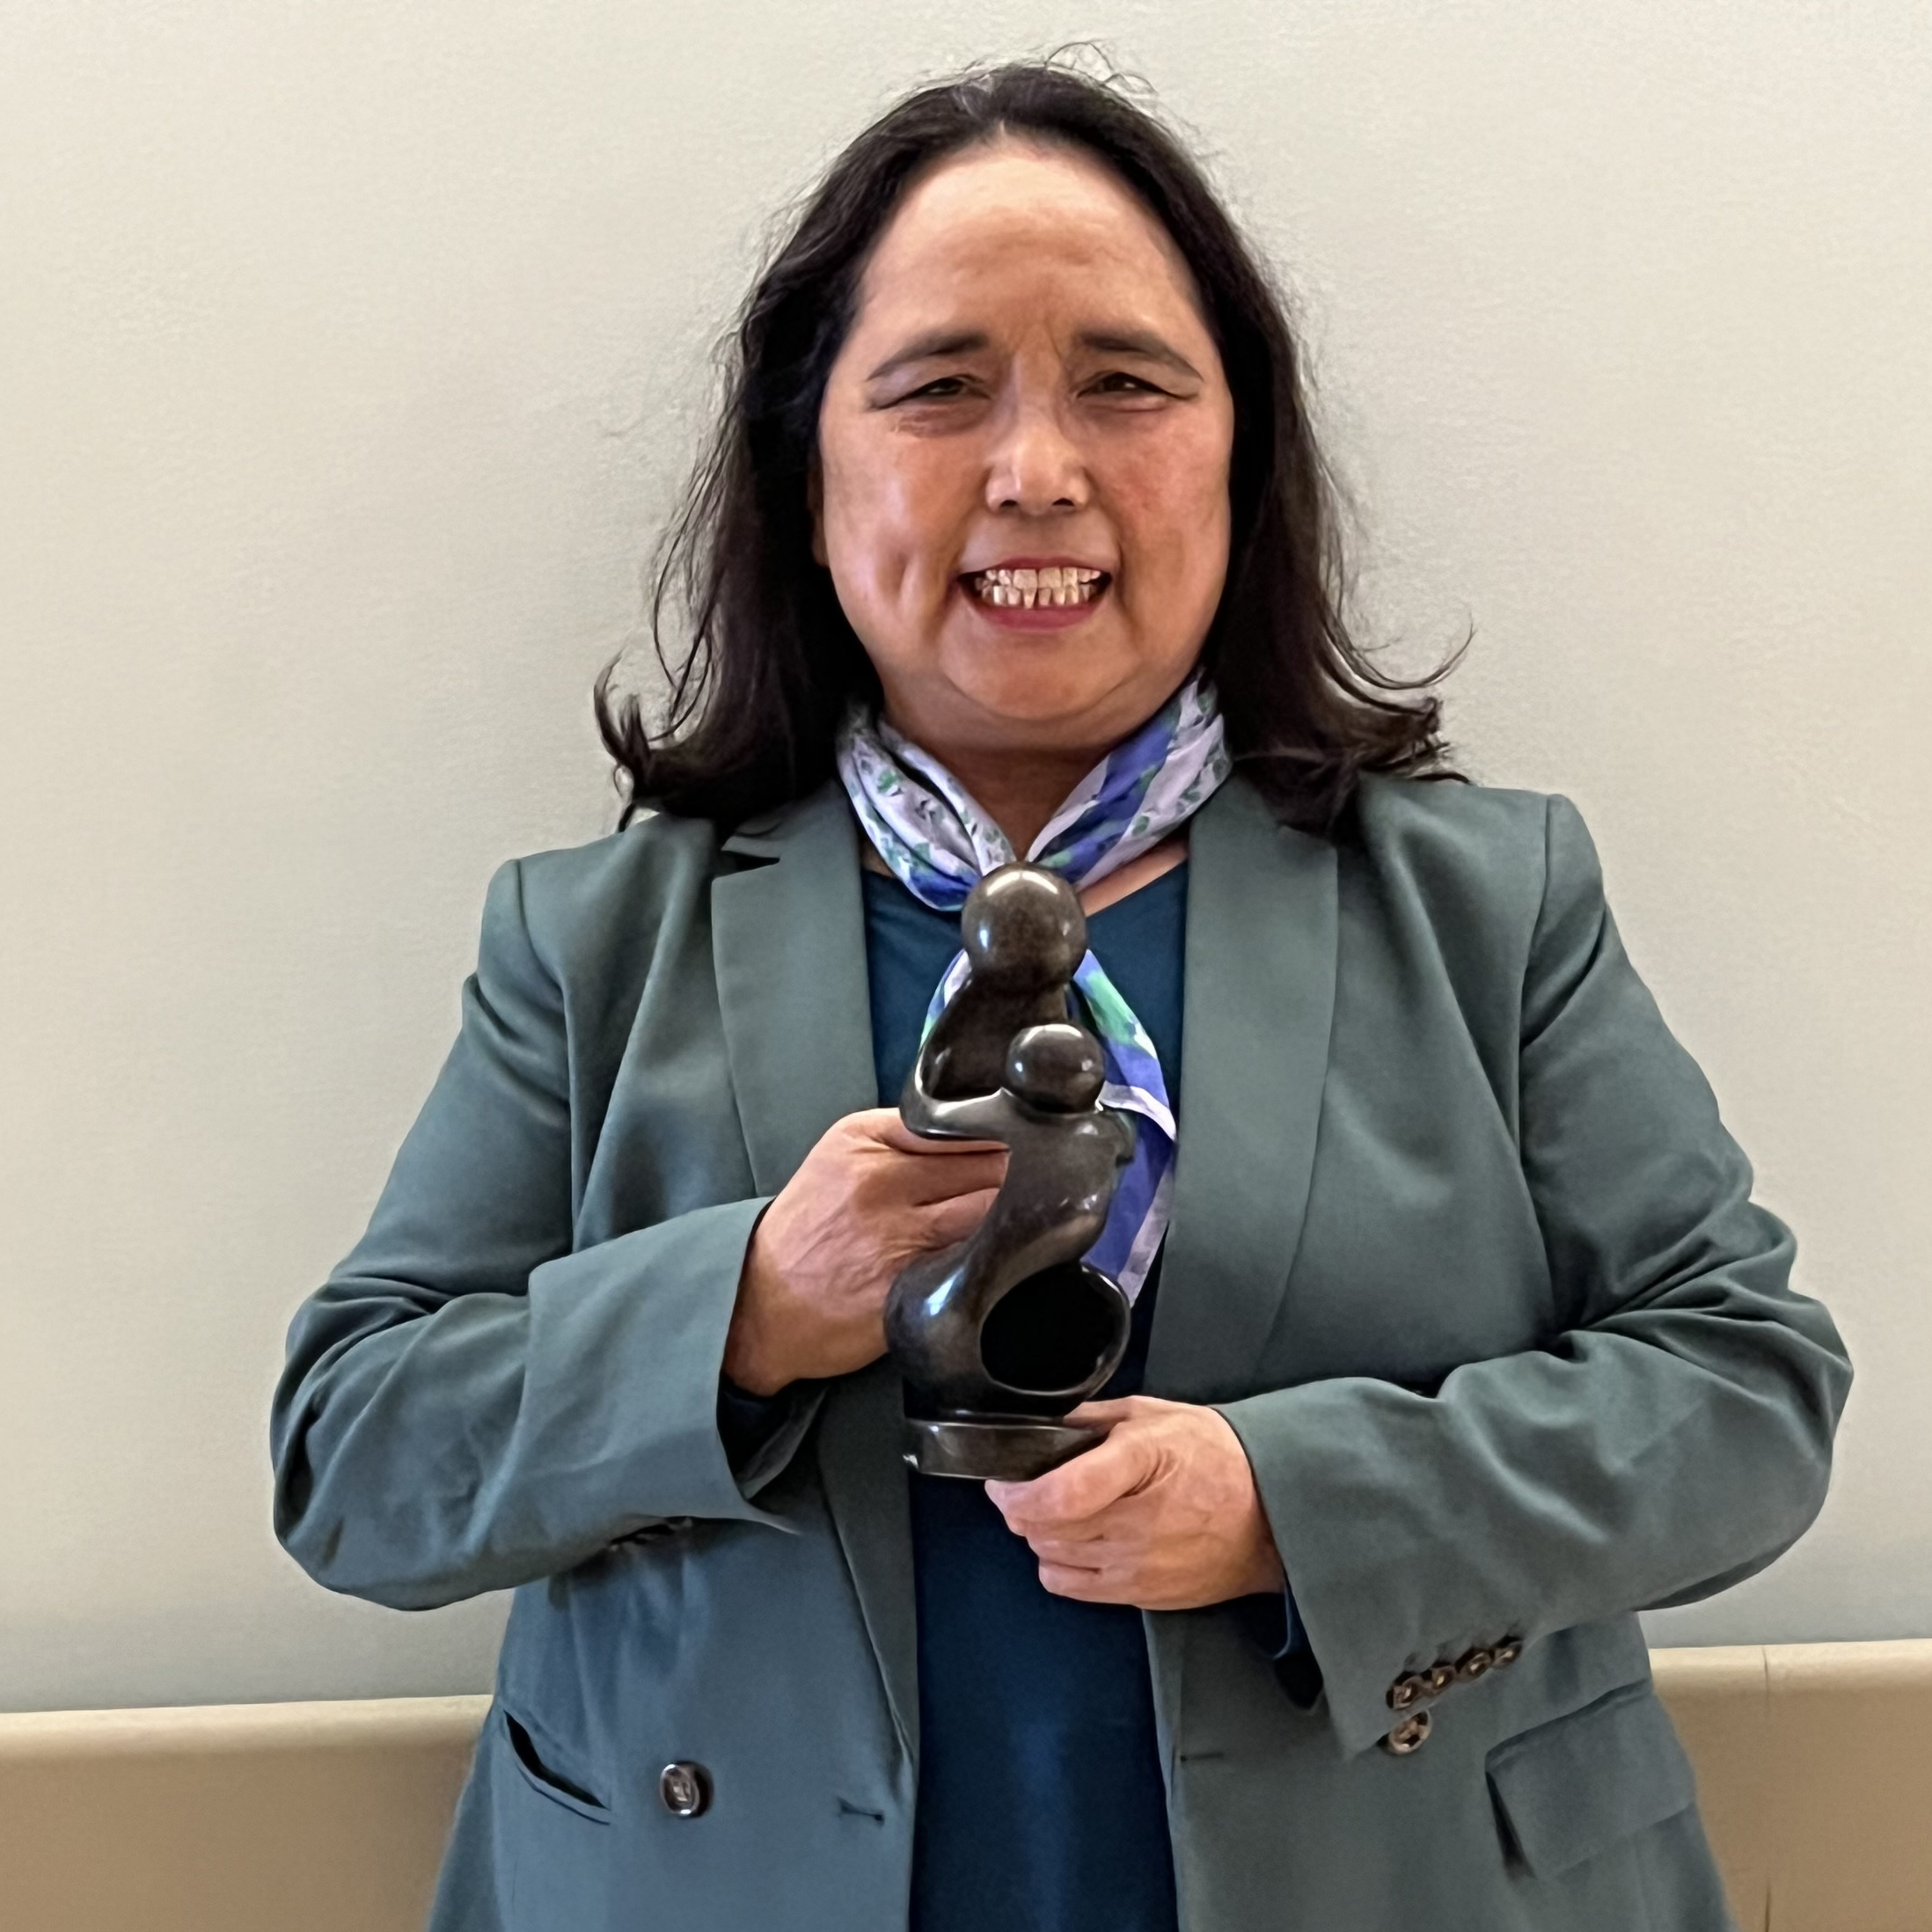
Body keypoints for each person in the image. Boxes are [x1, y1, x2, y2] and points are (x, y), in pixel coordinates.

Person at [269, 61, 1851, 1932]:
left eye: (1126, 383)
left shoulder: (1491, 908)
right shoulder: (594, 941)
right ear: (809, 470)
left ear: (1239, 452)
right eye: (940, 389)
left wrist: (1298, 1501)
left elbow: (1748, 1396)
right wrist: (752, 1308)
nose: (1036, 470)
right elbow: (356, 1457)